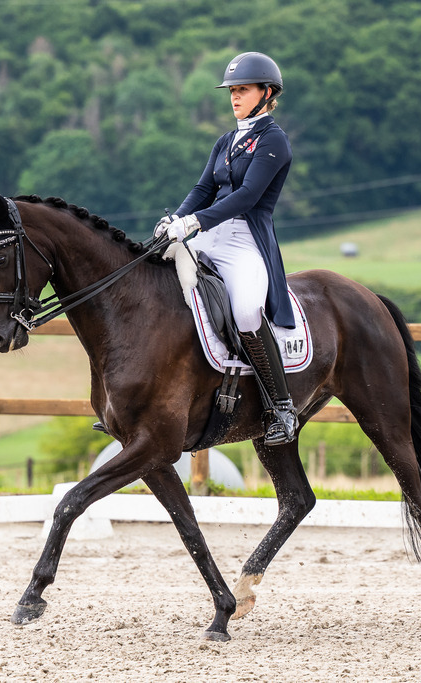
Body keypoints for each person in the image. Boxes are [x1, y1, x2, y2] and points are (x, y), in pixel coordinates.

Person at [155, 51, 298, 445]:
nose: (234, 97)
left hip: (243, 239)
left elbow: (249, 195)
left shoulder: (274, 140)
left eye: (243, 90)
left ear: (267, 93)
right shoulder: (225, 140)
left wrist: (195, 221)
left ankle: (282, 407)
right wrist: (177, 221)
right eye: (232, 91)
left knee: (248, 311)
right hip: (205, 232)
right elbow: (203, 189)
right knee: (155, 280)